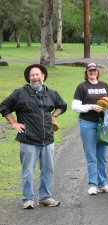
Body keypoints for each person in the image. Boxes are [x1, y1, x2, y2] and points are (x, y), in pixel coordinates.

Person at [0, 64, 67, 209]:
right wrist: (14, 123)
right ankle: (28, 199)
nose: (35, 78)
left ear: (43, 76)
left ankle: (46, 197)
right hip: (28, 140)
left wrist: (54, 115)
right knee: (28, 171)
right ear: (29, 78)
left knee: (48, 170)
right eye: (32, 75)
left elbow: (62, 105)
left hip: (48, 139)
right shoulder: (20, 93)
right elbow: (4, 107)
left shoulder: (51, 93)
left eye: (38, 75)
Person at [72, 62, 108, 195]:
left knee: (102, 156)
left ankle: (103, 184)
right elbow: (75, 106)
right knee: (91, 156)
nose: (92, 72)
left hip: (103, 124)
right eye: (90, 70)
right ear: (87, 72)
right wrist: (91, 106)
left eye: (94, 70)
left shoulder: (104, 85)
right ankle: (93, 184)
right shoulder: (82, 86)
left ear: (97, 71)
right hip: (87, 123)